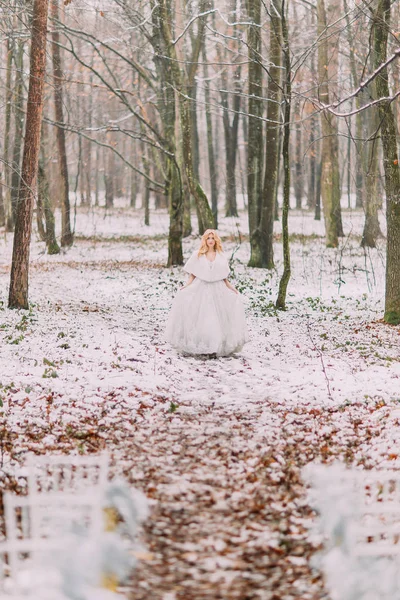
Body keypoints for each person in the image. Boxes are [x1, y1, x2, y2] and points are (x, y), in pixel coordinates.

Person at [165, 229, 248, 357]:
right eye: (208, 238)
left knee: (216, 319)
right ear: (205, 240)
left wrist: (232, 289)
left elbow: (224, 277)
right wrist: (186, 286)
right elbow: (193, 274)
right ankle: (203, 344)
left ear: (216, 240)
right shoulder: (198, 254)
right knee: (202, 318)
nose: (210, 241)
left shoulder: (220, 256)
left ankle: (216, 346)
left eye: (213, 238)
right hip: (201, 287)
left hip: (217, 288)